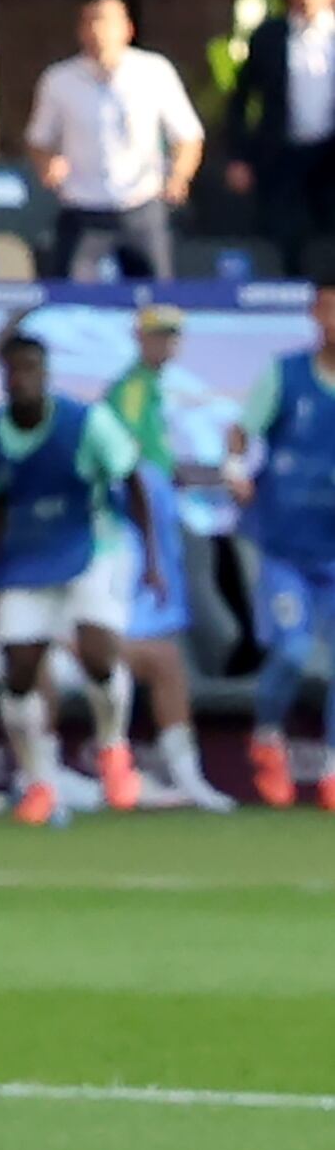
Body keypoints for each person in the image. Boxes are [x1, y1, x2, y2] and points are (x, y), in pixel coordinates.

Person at [0, 330, 154, 827]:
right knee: (19, 673)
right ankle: (39, 782)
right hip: (26, 558)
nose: (24, 378)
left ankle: (113, 748)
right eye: (15, 370)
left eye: (33, 368)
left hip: (89, 548)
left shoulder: (86, 422)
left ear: (46, 374)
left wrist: (152, 558)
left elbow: (132, 479)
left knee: (97, 655)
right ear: (4, 378)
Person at [103, 307, 237, 813]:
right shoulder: (132, 389)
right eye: (159, 336)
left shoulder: (151, 389)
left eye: (172, 337)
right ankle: (124, 767)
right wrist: (151, 549)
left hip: (154, 528)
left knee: (161, 656)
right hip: (139, 538)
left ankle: (167, 768)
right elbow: (129, 468)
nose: (166, 345)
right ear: (140, 338)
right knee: (145, 652)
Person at [232, 283, 335, 811]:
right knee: (293, 648)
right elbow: (241, 431)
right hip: (284, 543)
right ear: (316, 315)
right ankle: (268, 736)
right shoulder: (285, 375)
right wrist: (235, 471)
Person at [26, 0, 203, 284]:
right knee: (71, 302)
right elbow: (38, 139)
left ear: (127, 30)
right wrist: (47, 164)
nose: (100, 32)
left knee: (156, 302)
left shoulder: (154, 72)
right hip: (83, 208)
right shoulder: (59, 80)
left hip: (141, 206)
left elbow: (188, 134)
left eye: (108, 23)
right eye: (92, 22)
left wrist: (180, 175)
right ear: (81, 31)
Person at [227, 0, 335, 280]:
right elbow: (241, 97)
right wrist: (240, 156)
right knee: (284, 235)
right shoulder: (269, 36)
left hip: (331, 154)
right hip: (283, 153)